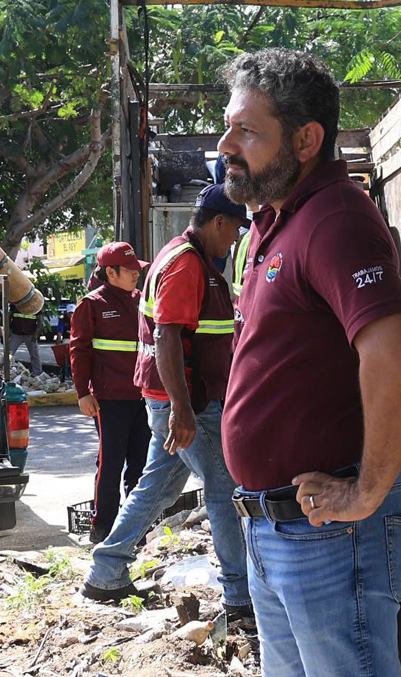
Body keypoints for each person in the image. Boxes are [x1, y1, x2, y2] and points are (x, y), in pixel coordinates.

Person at [219, 49, 401, 677]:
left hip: (328, 534)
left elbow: (397, 353)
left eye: (247, 131)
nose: (225, 147)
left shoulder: (336, 219)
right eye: (228, 129)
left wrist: (367, 490)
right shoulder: (274, 223)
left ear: (306, 140)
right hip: (275, 528)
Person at [82, 184, 253, 622]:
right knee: (224, 486)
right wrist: (182, 409)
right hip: (186, 401)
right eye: (234, 229)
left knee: (159, 485)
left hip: (178, 399)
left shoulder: (187, 258)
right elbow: (166, 335)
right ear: (218, 221)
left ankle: (106, 570)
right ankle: (239, 596)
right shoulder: (186, 263)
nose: (234, 239)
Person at [69, 242, 151, 544]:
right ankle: (102, 527)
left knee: (140, 466)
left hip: (141, 398)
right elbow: (79, 350)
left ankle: (135, 529)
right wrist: (83, 393)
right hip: (109, 400)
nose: (136, 275)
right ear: (110, 272)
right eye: (130, 271)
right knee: (111, 464)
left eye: (136, 270)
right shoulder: (91, 305)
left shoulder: (141, 301)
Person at [9, 305, 43, 375]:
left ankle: (38, 373)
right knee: (9, 354)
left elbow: (40, 321)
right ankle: (6, 370)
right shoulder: (15, 305)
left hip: (30, 335)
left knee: (34, 355)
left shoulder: (35, 305)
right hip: (16, 334)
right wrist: (8, 331)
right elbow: (8, 318)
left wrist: (36, 334)